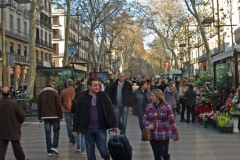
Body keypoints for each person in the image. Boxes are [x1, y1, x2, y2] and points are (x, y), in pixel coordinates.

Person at [72, 77, 117, 160]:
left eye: (98, 85)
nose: (97, 87)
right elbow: (77, 114)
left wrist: (114, 124)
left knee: (103, 149)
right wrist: (75, 129)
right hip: (88, 129)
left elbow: (110, 110)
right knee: (89, 151)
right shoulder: (83, 98)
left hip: (101, 127)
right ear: (89, 86)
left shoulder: (103, 96)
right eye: (95, 85)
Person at [143, 89, 179, 160]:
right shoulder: (149, 106)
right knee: (157, 155)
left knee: (164, 154)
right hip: (152, 134)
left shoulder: (167, 106)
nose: (150, 97)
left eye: (152, 95)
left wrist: (175, 133)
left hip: (164, 134)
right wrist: (148, 124)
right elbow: (144, 119)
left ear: (157, 96)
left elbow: (171, 120)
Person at [38, 79, 63, 157]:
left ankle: (49, 151)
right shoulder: (55, 93)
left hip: (45, 116)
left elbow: (39, 107)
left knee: (47, 134)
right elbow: (58, 105)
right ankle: (54, 146)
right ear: (51, 84)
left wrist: (39, 117)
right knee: (56, 131)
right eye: (54, 84)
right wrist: (60, 115)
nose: (55, 86)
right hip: (55, 115)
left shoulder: (41, 93)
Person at [0, 87, 26, 160]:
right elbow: (22, 115)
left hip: (1, 129)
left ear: (1, 94)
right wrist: (18, 123)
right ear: (10, 93)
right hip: (13, 128)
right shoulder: (14, 104)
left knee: (2, 148)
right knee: (17, 147)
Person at [60, 79, 75, 144]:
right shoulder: (75, 91)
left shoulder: (63, 91)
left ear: (67, 84)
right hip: (75, 109)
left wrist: (62, 108)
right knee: (74, 124)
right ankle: (75, 134)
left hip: (66, 110)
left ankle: (71, 138)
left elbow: (60, 101)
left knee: (68, 125)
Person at [73, 79, 86, 154]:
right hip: (83, 118)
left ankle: (78, 147)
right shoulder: (85, 100)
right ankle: (83, 150)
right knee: (83, 134)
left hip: (76, 118)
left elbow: (72, 110)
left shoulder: (74, 101)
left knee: (77, 133)